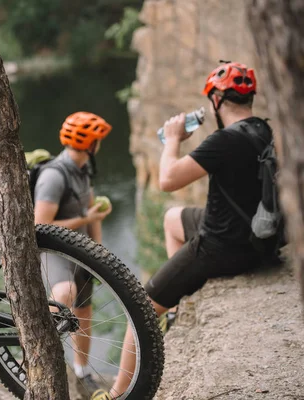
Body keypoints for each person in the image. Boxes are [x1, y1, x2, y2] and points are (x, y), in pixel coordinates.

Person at [92, 62, 271, 400]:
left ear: (216, 99)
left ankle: (117, 395)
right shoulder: (263, 130)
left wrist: (172, 140)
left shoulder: (223, 141)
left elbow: (168, 179)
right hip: (257, 235)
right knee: (173, 218)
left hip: (222, 248)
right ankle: (176, 307)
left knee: (139, 309)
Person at [33, 111, 113, 399]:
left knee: (84, 313)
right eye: (98, 140)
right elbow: (39, 225)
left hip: (81, 252)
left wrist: (99, 254)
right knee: (64, 293)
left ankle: (81, 372)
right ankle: (37, 358)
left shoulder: (84, 169)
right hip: (55, 252)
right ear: (90, 143)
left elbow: (93, 214)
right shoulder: (54, 175)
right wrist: (84, 218)